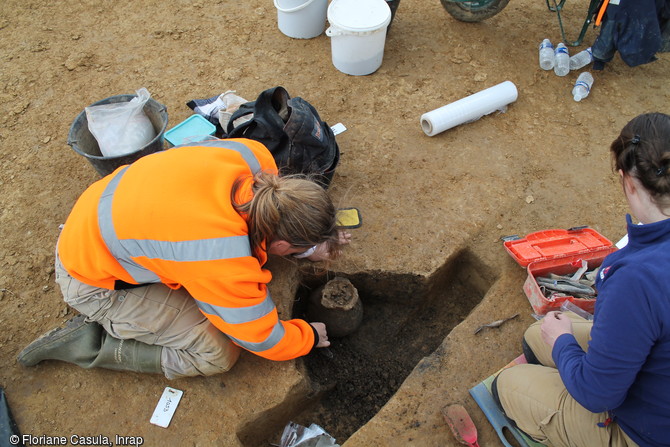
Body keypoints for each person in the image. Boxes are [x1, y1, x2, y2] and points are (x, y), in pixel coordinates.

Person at [17, 138, 351, 379]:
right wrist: (306, 336)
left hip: (98, 217)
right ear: (279, 244)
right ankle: (91, 343)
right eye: (293, 251)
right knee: (217, 353)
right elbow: (262, 338)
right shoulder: (219, 256)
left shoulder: (251, 156)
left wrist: (310, 243)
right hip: (90, 279)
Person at [493, 112, 670, 447]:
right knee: (537, 335)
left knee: (509, 384)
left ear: (627, 181)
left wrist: (563, 342)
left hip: (647, 432)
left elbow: (597, 394)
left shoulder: (636, 279)